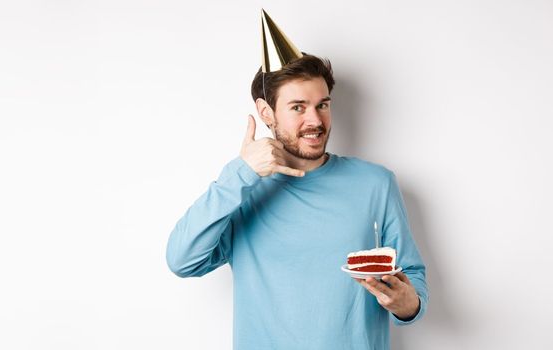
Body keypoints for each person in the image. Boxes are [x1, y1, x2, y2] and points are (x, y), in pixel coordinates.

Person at [165, 52, 428, 349]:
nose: (315, 120)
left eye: (322, 105)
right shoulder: (242, 191)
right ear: (266, 113)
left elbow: (412, 277)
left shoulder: (375, 184)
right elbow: (182, 260)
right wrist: (242, 172)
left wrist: (408, 304)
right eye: (298, 107)